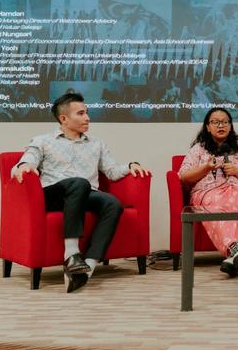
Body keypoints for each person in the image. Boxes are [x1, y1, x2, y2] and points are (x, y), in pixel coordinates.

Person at [11, 92, 150, 293]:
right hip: (54, 194)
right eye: (81, 113)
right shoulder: (43, 140)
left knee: (112, 203)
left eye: (87, 112)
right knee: (79, 183)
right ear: (64, 118)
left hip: (85, 194)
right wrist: (24, 166)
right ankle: (72, 253)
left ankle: (86, 269)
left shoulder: (97, 144)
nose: (88, 118)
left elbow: (111, 171)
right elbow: (27, 159)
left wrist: (130, 165)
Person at [178, 107, 238, 278]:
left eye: (225, 122)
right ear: (207, 126)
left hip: (237, 189)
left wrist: (236, 171)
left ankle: (234, 254)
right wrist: (205, 168)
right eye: (216, 122)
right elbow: (184, 177)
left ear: (230, 125)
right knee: (218, 202)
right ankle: (237, 251)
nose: (221, 126)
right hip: (208, 192)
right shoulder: (198, 149)